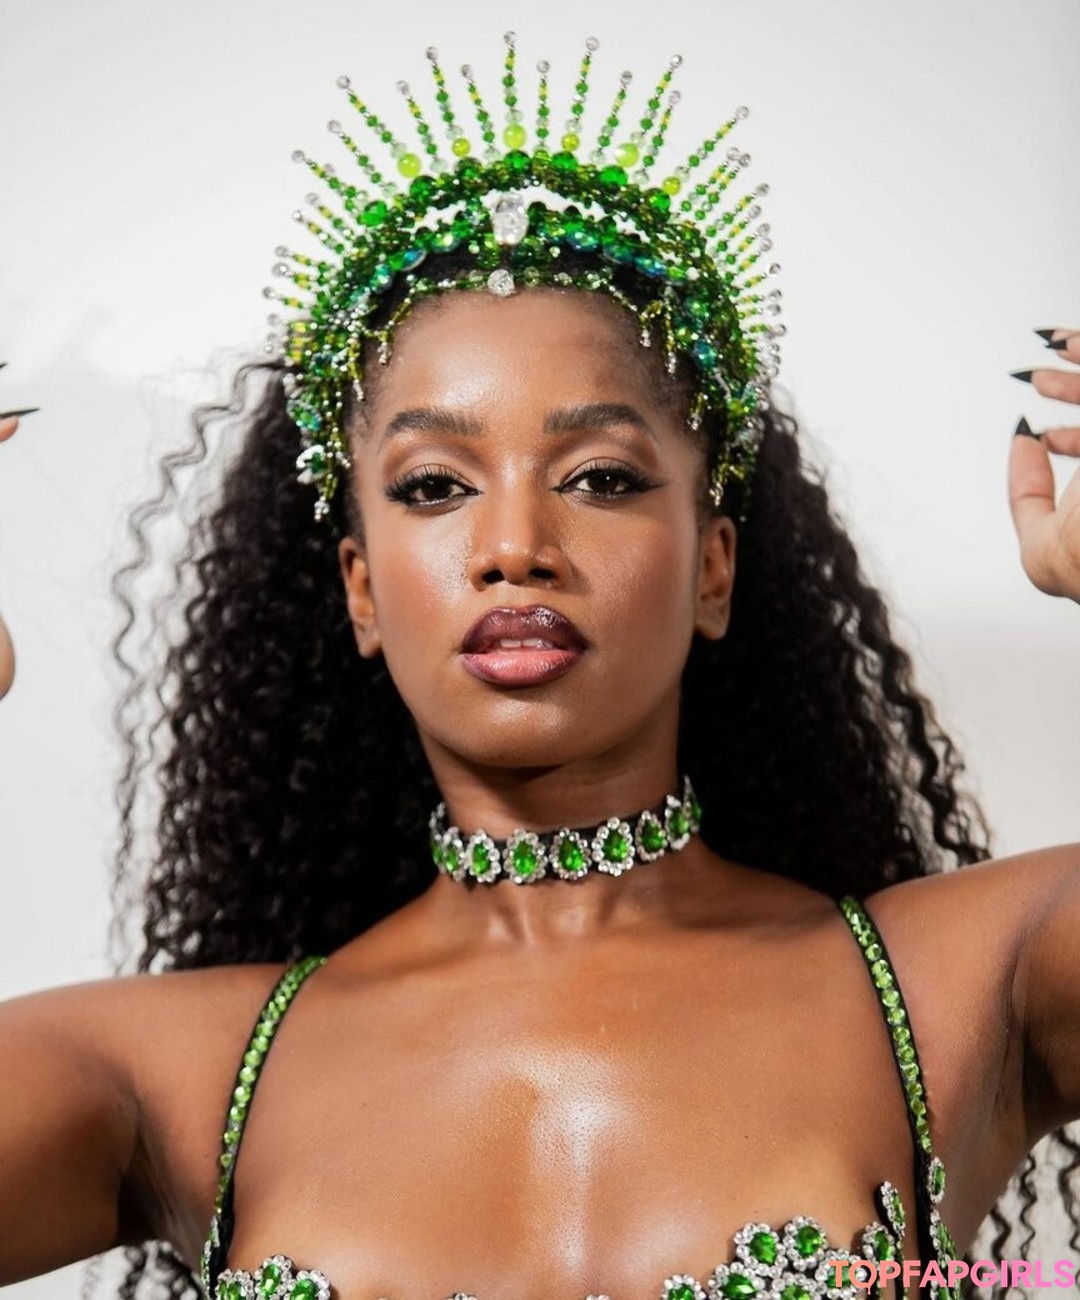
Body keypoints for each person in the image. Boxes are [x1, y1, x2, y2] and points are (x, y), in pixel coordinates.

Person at [1, 33, 1079, 1300]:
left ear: (714, 567)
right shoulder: (177, 1075)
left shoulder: (961, 987)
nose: (514, 544)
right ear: (360, 588)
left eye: (601, 477)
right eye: (435, 486)